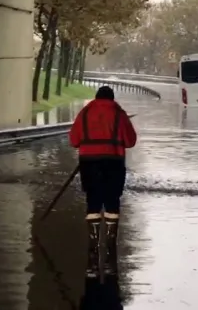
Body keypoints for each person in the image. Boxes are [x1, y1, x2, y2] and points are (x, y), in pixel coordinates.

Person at [69, 86, 137, 277]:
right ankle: (110, 244)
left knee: (93, 200)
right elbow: (131, 141)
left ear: (96, 98)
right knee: (112, 200)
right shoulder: (119, 113)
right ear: (112, 99)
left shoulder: (85, 112)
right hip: (113, 162)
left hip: (89, 162)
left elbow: (74, 140)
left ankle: (93, 243)